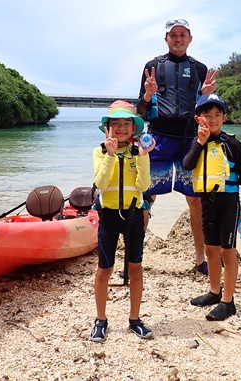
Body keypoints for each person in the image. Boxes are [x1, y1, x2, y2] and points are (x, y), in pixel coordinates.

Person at [136, 18, 218, 275]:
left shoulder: (200, 69)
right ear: (166, 39)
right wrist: (148, 95)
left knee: (196, 201)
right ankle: (134, 259)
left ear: (190, 38)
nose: (178, 38)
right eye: (173, 35)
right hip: (158, 138)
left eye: (183, 34)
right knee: (146, 197)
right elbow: (140, 110)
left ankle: (200, 260)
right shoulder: (153, 67)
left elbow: (207, 112)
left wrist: (204, 94)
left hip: (189, 141)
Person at [182, 93, 241, 321]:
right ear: (199, 119)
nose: (213, 119)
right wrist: (200, 142)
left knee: (227, 251)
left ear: (224, 117)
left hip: (228, 203)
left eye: (217, 115)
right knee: (211, 250)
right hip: (208, 203)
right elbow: (187, 164)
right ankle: (214, 292)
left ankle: (228, 301)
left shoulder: (232, 144)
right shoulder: (196, 143)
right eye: (207, 115)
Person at [90, 100, 156, 342]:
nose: (121, 128)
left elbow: (143, 185)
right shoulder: (99, 151)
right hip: (108, 216)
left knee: (136, 268)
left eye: (126, 124)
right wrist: (109, 154)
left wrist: (143, 157)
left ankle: (135, 319)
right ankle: (101, 320)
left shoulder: (138, 152)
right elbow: (101, 183)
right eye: (115, 124)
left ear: (134, 128)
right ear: (107, 127)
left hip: (133, 215)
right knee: (104, 269)